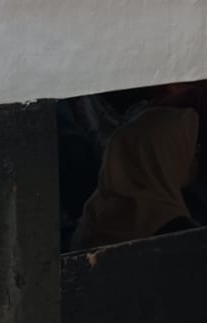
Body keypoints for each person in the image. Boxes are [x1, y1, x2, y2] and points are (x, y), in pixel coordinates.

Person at [70, 104, 200, 251]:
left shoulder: (94, 215)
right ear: (164, 156)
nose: (193, 158)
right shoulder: (178, 232)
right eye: (187, 148)